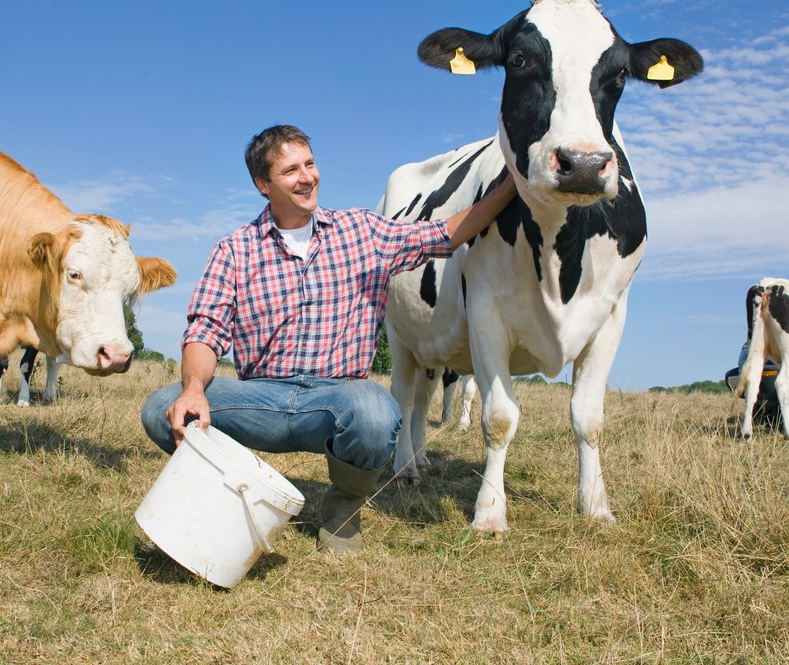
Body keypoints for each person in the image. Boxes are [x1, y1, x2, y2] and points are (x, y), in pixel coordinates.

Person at [142, 124, 516, 553]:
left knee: (376, 411)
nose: (307, 177)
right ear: (263, 185)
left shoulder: (361, 232)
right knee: (161, 409)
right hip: (260, 399)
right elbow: (205, 331)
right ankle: (233, 492)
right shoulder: (234, 249)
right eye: (290, 171)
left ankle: (341, 512)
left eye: (310, 164)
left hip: (336, 401)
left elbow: (444, 233)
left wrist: (510, 187)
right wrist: (193, 389)